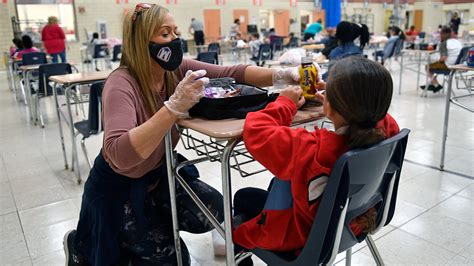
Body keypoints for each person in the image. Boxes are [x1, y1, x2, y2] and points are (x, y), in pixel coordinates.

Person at [62, 3, 304, 265]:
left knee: (214, 211)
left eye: (175, 32)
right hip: (118, 189)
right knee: (167, 260)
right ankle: (80, 245)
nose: (174, 40)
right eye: (165, 34)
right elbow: (120, 154)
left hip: (159, 175)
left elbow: (232, 73)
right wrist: (173, 107)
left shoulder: (173, 70)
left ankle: (160, 223)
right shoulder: (121, 83)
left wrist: (286, 76)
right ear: (140, 41)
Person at [232, 57, 400, 265]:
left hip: (304, 238)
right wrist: (340, 99)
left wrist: (285, 102)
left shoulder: (313, 150)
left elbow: (257, 132)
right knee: (275, 186)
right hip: (351, 224)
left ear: (330, 108)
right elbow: (380, 115)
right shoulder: (389, 133)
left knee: (243, 198)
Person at [422, 27, 462, 93]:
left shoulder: (444, 43)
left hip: (448, 67)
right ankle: (433, 83)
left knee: (428, 67)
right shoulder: (457, 42)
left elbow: (443, 58)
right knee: (436, 65)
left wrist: (436, 60)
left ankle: (436, 85)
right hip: (458, 66)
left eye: (440, 34)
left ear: (443, 34)